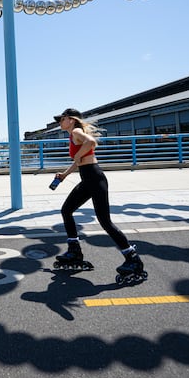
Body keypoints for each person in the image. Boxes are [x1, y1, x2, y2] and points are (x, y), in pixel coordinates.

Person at [52, 108, 147, 284]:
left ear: (71, 119)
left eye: (62, 119)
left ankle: (133, 259)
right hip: (88, 178)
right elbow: (80, 160)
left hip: (94, 178)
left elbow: (91, 142)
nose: (60, 122)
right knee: (67, 210)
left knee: (105, 221)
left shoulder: (76, 131)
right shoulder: (73, 134)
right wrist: (65, 175)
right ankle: (74, 251)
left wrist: (79, 155)